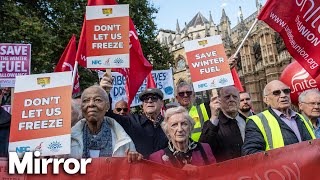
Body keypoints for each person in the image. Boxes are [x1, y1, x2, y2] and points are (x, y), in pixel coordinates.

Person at [100, 73, 168, 158]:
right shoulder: (131, 121)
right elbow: (107, 116)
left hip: (164, 170)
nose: (149, 101)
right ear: (142, 104)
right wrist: (104, 93)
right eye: (146, 99)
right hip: (138, 170)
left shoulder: (170, 124)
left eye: (154, 98)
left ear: (162, 103)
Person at [242, 80, 316, 155]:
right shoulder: (257, 121)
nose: (283, 95)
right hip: (284, 166)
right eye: (276, 93)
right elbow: (250, 153)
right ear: (266, 100)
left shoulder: (302, 118)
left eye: (286, 91)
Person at [70, 85, 136, 159]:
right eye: (86, 101)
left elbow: (132, 169)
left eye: (97, 100)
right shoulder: (69, 140)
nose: (91, 104)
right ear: (81, 107)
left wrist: (134, 159)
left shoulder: (123, 140)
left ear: (107, 106)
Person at [149, 106, 216, 168]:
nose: (180, 129)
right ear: (167, 131)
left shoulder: (205, 149)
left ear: (190, 127)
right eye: (174, 125)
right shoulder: (157, 158)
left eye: (184, 124)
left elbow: (215, 175)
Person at [199, 86, 246, 162]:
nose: (231, 99)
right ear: (219, 100)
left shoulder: (247, 121)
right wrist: (214, 117)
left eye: (235, 97)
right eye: (227, 97)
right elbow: (204, 149)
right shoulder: (213, 124)